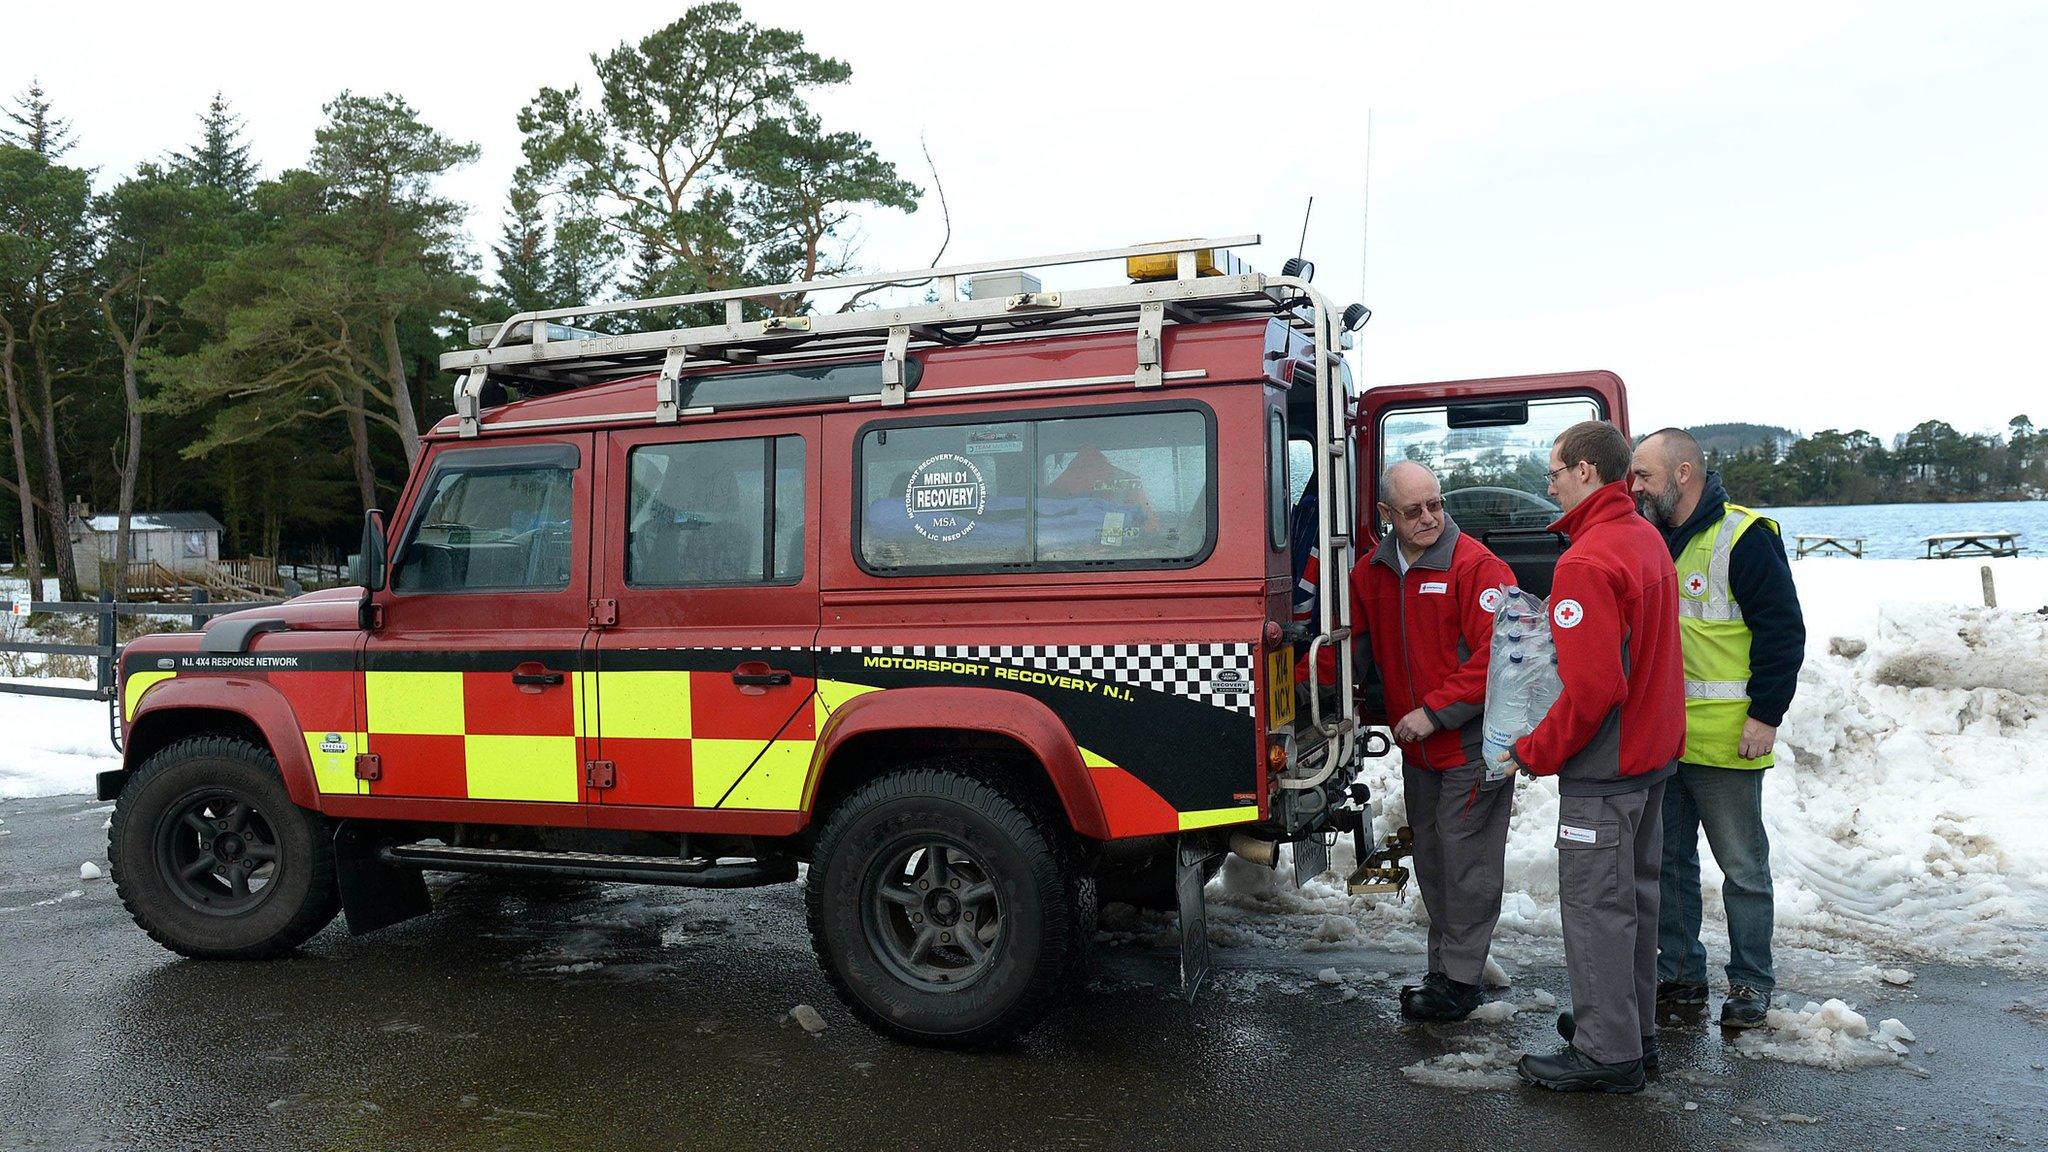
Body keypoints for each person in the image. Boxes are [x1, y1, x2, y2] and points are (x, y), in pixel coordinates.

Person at [1497, 421, 1685, 1093]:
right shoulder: (1644, 539)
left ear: (1584, 472)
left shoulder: (1585, 561)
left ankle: (1607, 1054)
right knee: (1631, 901)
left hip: (1605, 771)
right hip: (1649, 763)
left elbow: (1597, 687)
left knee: (1596, 908)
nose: (1548, 484)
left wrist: (1534, 749)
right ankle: (1633, 1031)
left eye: (1553, 471)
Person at [1630, 428, 1805, 1029]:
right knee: (1671, 864)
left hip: (1730, 739)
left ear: (1682, 474)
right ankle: (1680, 976)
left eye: (1643, 475)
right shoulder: (1649, 535)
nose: (1634, 486)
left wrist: (1766, 715)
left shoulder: (1744, 536)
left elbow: (1783, 632)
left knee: (1743, 869)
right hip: (1667, 738)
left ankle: (1752, 984)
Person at [1351, 462, 1520, 1019]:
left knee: (1465, 861)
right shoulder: (1371, 572)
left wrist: (1435, 712)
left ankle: (1460, 981)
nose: (1428, 518)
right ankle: (1447, 967)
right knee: (1433, 857)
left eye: (1436, 505)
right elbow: (1352, 648)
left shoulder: (1477, 567)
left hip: (1471, 745)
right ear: (1385, 517)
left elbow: (1502, 658)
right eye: (1413, 510)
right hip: (1418, 749)